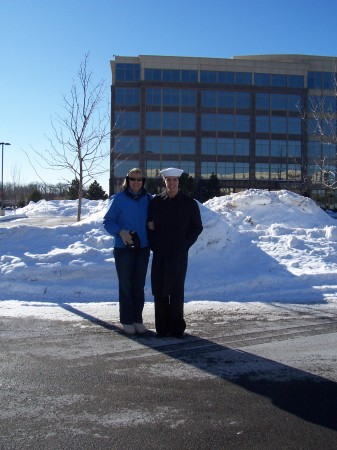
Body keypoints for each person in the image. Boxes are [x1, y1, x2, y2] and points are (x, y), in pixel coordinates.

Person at [147, 168, 203, 337]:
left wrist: (184, 245)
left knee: (176, 290)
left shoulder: (189, 203)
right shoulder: (156, 202)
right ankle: (162, 328)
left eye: (174, 180)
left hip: (178, 254)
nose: (171, 183)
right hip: (160, 253)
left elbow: (197, 227)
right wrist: (155, 245)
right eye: (168, 180)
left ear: (179, 182)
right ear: (164, 182)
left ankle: (177, 328)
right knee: (160, 289)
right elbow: (149, 225)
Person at [103, 168, 151, 335]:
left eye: (139, 179)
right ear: (127, 180)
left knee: (139, 285)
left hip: (143, 248)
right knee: (126, 285)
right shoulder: (118, 199)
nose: (136, 182)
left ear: (143, 181)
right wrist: (120, 231)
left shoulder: (148, 199)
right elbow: (107, 222)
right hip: (124, 250)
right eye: (133, 179)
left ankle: (137, 318)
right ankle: (126, 320)